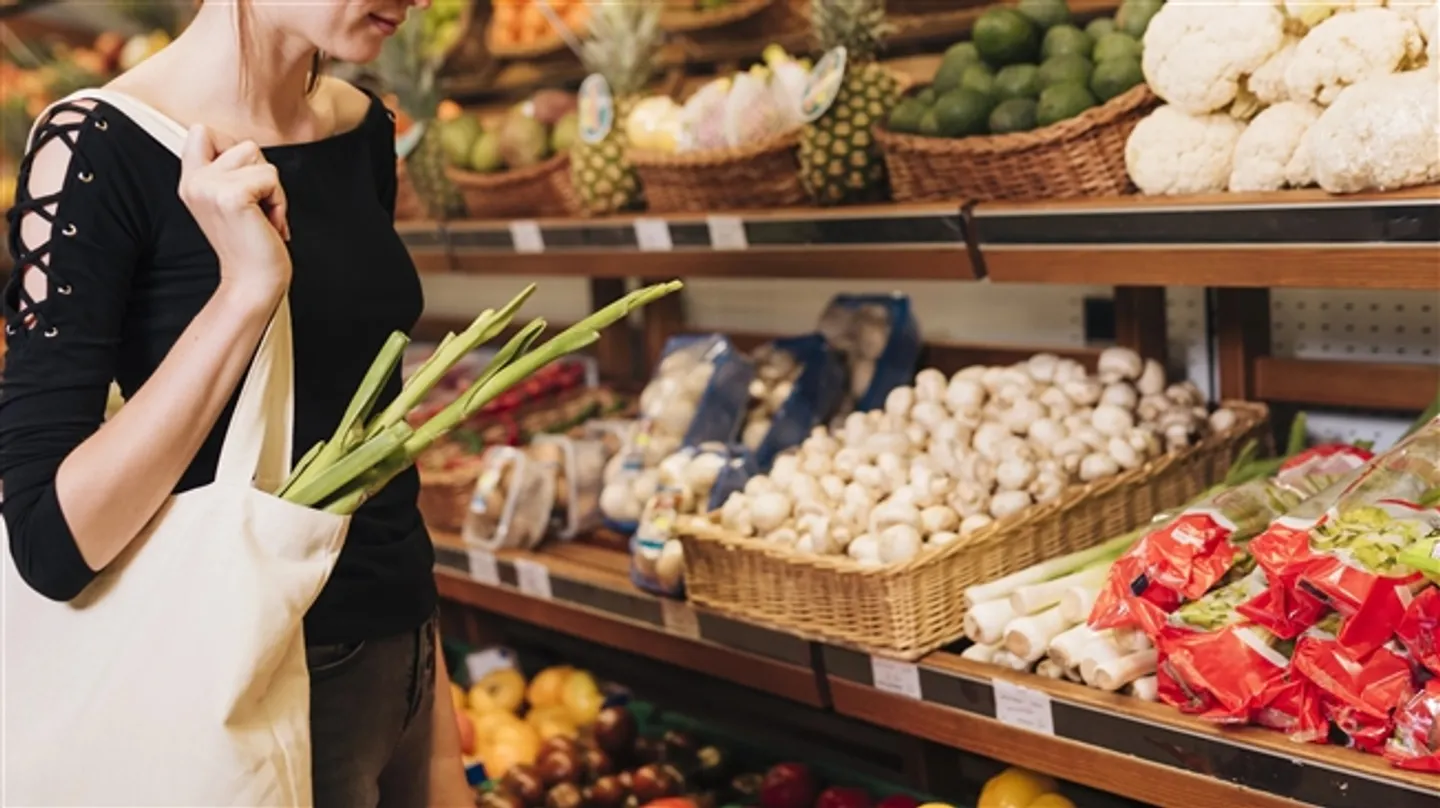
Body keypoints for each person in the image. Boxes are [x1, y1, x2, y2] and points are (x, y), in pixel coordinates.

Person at [0, 1, 474, 805]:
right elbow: (52, 539)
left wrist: (434, 731)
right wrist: (247, 291)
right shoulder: (94, 144)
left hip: (403, 657)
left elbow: (365, 433)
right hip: (243, 697)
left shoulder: (362, 129)